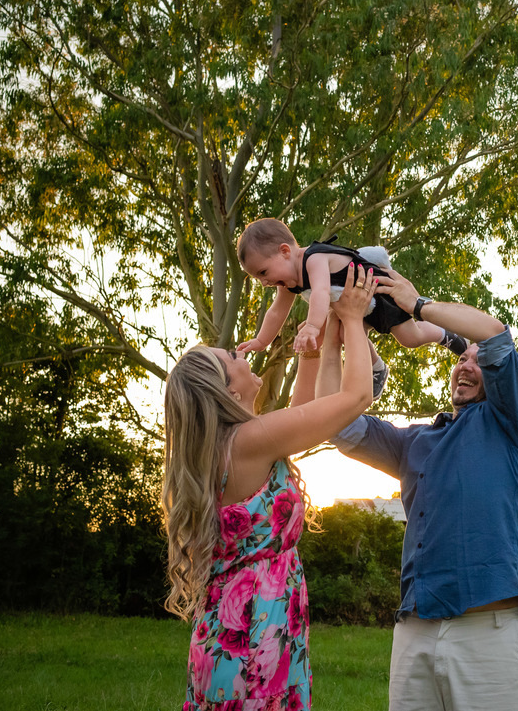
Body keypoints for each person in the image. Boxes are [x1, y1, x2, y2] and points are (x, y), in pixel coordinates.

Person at [318, 265, 518, 711]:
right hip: (413, 632)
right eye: (462, 359)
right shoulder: (416, 441)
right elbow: (335, 422)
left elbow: (496, 335)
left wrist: (417, 305)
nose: (467, 366)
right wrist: (338, 331)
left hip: (488, 634)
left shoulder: (512, 429)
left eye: (478, 362)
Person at [161, 264, 378, 710]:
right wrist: (353, 318)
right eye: (232, 360)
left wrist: (313, 349)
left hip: (238, 636)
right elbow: (356, 397)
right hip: (254, 641)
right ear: (226, 391)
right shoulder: (247, 442)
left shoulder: (234, 445)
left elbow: (304, 411)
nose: (243, 356)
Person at [235, 218, 467, 358]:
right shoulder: (288, 282)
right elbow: (276, 312)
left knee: (409, 337)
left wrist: (313, 326)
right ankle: (377, 368)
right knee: (345, 335)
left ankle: (443, 334)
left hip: (378, 290)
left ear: (285, 251)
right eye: (258, 278)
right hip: (356, 302)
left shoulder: (313, 259)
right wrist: (262, 341)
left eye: (263, 272)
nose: (264, 282)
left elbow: (321, 293)